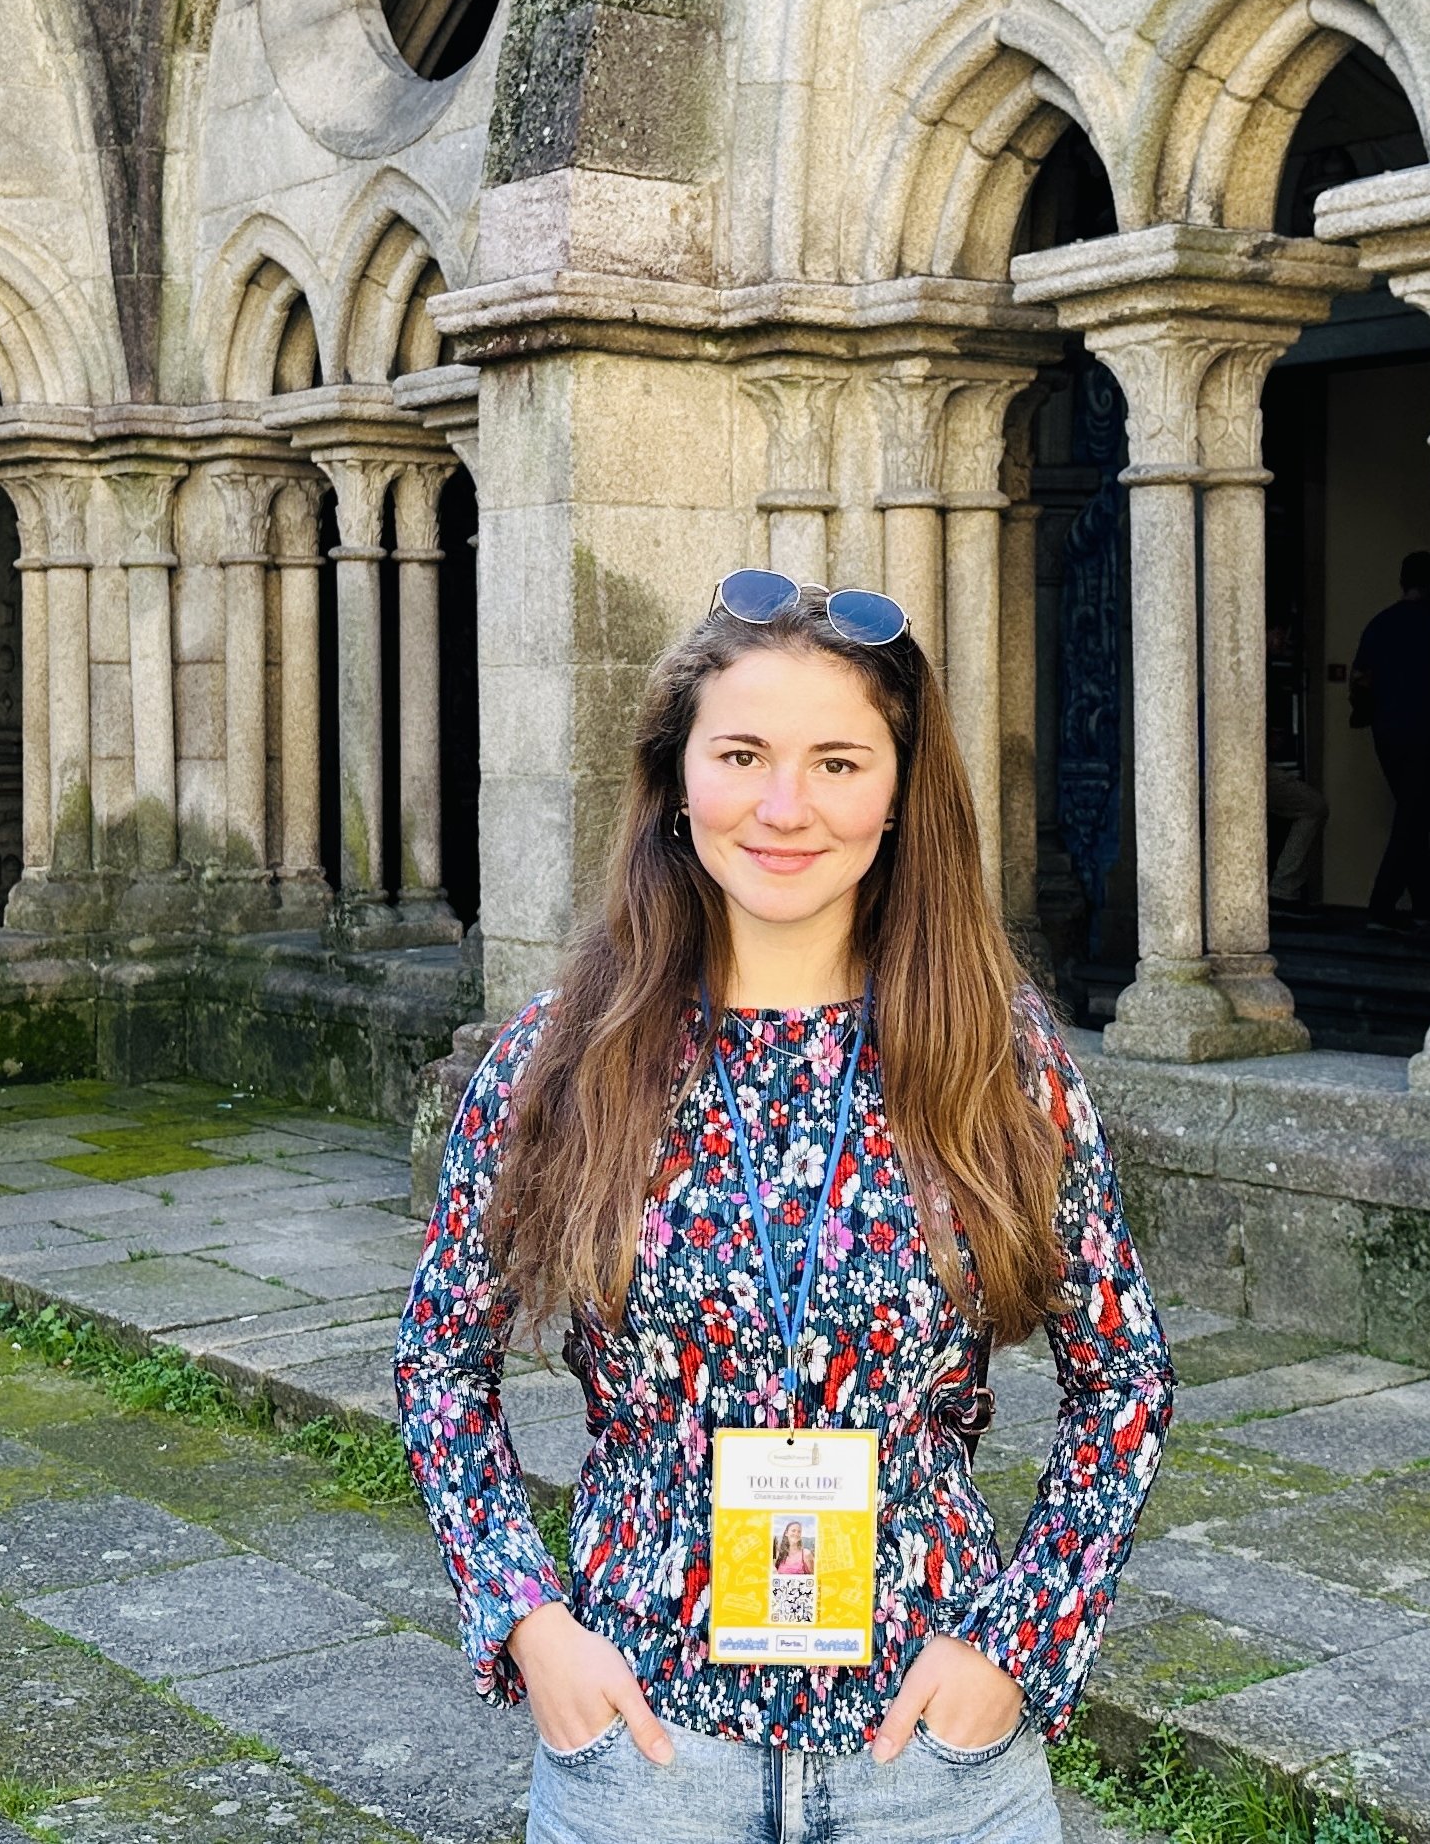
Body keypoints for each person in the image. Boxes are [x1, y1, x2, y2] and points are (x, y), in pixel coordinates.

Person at [397, 569, 1174, 1843]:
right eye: (742, 754)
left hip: (926, 1759)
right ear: (674, 779)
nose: (780, 807)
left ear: (897, 799)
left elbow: (1125, 1383)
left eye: (836, 763)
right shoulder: (561, 1059)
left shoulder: (995, 1056)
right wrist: (530, 1626)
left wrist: (1016, 1649)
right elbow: (439, 1369)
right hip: (644, 1746)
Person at [1349, 550, 1430, 926]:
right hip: (1423, 732)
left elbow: (1360, 680)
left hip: (1387, 733)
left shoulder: (1380, 624)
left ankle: (1425, 906)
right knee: (1414, 818)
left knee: (1412, 816)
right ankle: (1381, 907)